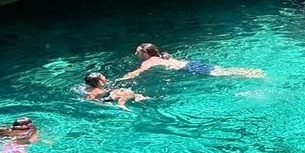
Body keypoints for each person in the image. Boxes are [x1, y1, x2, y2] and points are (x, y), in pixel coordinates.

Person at [120, 43, 265, 80]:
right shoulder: (163, 56)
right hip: (191, 63)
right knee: (222, 70)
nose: (135, 53)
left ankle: (249, 74)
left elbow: (137, 72)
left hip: (189, 68)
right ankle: (248, 71)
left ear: (145, 53)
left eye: (138, 51)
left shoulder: (150, 62)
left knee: (222, 74)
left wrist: (122, 78)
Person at [84, 72, 149, 110]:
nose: (104, 76)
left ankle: (138, 98)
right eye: (102, 76)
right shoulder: (97, 91)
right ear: (100, 82)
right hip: (105, 97)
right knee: (126, 91)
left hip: (104, 98)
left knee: (133, 94)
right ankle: (121, 104)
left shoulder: (89, 90)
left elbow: (89, 99)